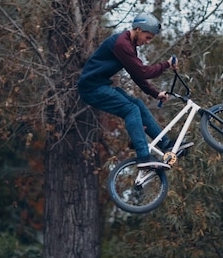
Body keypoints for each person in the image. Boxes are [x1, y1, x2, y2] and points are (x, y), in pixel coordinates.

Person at [78, 13, 191, 169]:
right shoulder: (121, 44)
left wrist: (155, 93)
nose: (147, 42)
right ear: (138, 29)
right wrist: (166, 64)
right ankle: (144, 157)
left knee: (137, 104)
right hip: (92, 88)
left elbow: (137, 76)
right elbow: (143, 72)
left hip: (100, 85)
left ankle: (165, 144)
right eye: (147, 37)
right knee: (131, 110)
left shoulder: (128, 46)